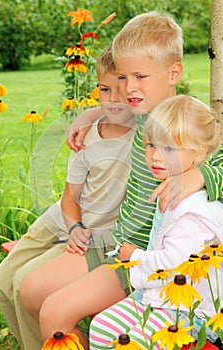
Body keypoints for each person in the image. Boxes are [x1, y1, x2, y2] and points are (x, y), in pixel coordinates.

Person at [20, 11, 223, 350]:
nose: (128, 88)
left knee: (54, 312)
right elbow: (115, 109)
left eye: (140, 76)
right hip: (117, 245)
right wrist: (91, 114)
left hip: (150, 259)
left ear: (174, 72)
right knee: (31, 292)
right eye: (123, 77)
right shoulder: (144, 114)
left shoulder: (185, 123)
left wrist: (202, 174)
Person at [0, 45, 135, 350]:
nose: (113, 99)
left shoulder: (143, 135)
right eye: (105, 90)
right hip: (65, 218)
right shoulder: (87, 136)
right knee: (1, 281)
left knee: (24, 286)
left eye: (122, 90)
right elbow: (71, 197)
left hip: (98, 235)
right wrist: (92, 114)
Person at [89, 94, 223, 349]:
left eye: (169, 148)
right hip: (163, 297)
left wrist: (133, 256)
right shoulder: (172, 191)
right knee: (101, 326)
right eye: (151, 145)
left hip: (191, 310)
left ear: (199, 152)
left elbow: (174, 266)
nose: (155, 156)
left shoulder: (194, 211)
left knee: (134, 342)